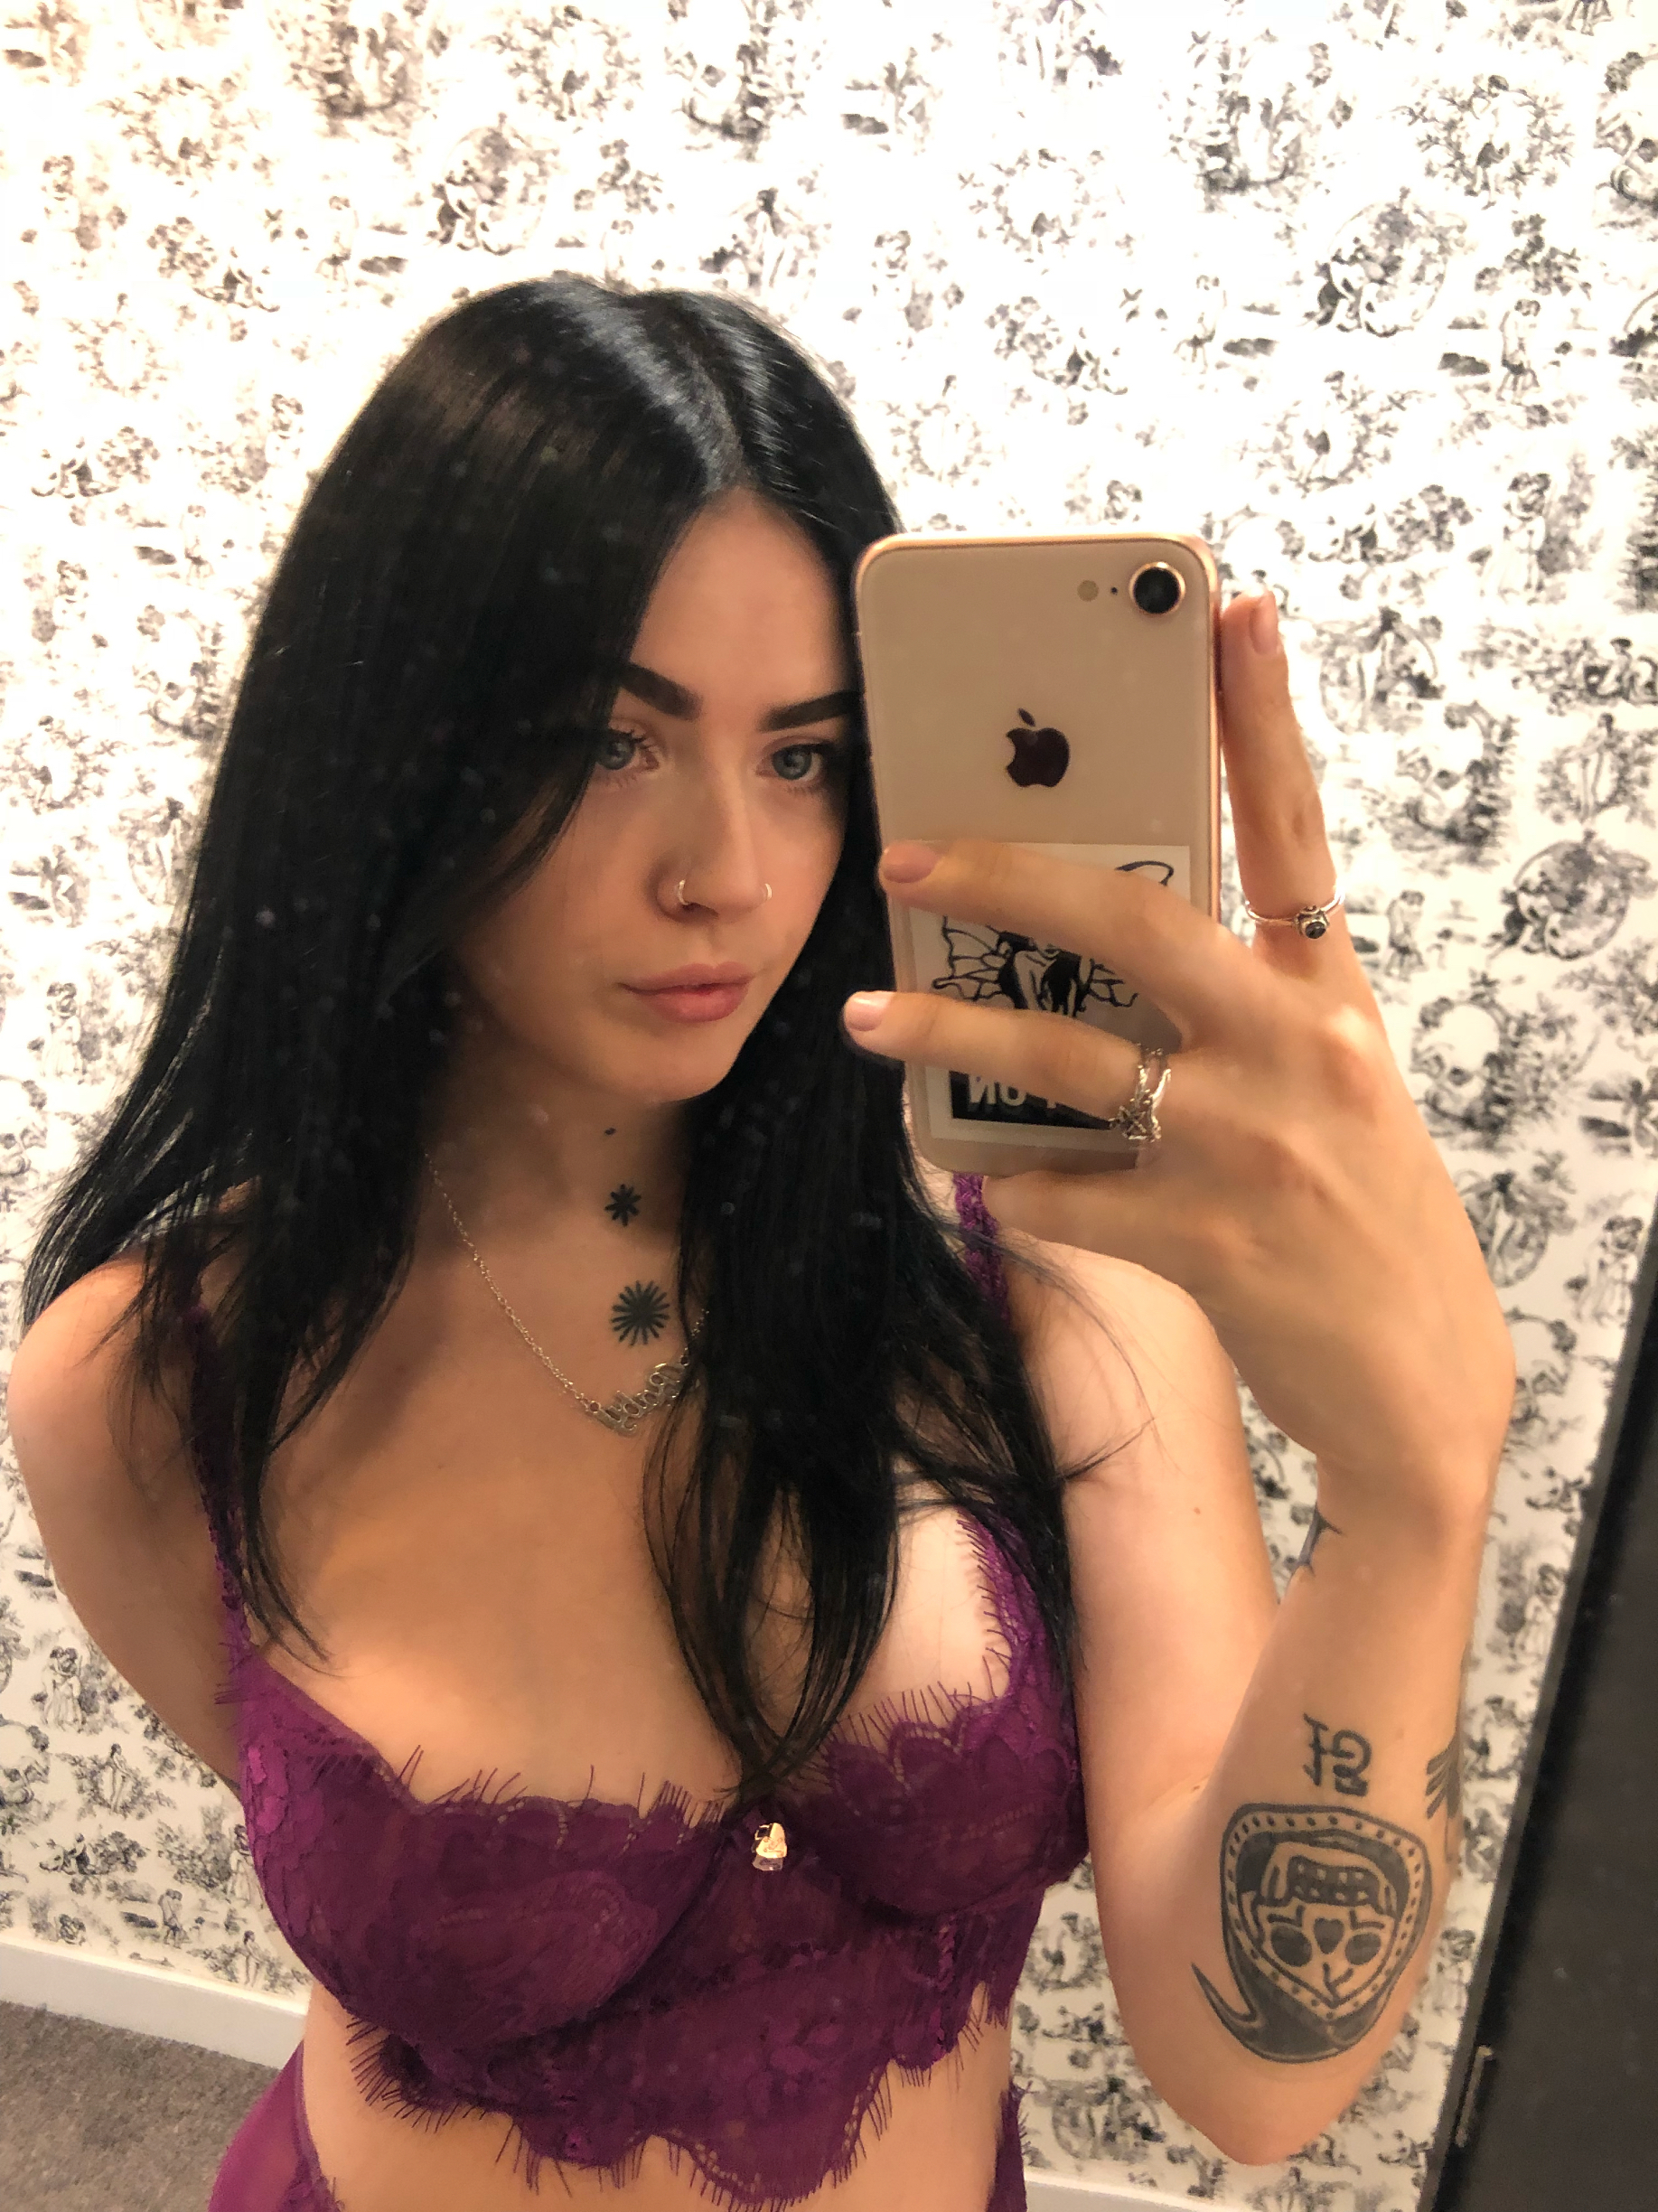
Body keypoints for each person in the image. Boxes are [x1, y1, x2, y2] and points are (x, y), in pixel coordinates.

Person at [8, 276, 1513, 2212]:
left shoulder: (1038, 1259)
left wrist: (1414, 1489)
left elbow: (1251, 2074)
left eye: (803, 756)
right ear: (389, 759)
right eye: (605, 744)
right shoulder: (160, 1377)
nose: (725, 870)